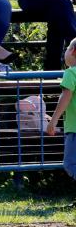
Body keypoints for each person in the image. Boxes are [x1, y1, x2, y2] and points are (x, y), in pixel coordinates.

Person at [46, 37, 76, 180]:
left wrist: (53, 120)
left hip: (75, 129)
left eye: (67, 48)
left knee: (70, 164)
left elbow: (65, 97)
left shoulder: (71, 73)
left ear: (73, 51)